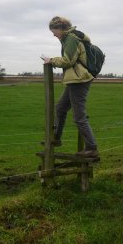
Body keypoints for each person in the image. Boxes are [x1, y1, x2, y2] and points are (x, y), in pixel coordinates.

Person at [42, 16, 98, 157]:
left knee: (79, 116)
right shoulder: (69, 38)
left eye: (54, 31)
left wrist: (51, 60)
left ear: (61, 28)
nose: (53, 34)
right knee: (60, 108)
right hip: (76, 79)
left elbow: (68, 61)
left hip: (79, 80)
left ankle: (91, 148)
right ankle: (56, 138)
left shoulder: (71, 39)